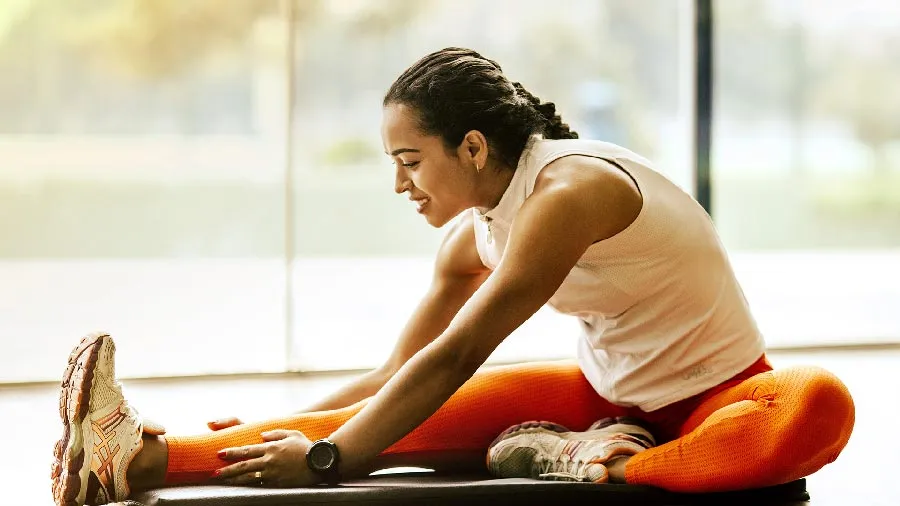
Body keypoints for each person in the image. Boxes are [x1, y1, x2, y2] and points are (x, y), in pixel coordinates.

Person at [51, 47, 855, 506]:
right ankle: (126, 457)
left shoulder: (569, 194)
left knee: (818, 403)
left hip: (722, 398)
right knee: (379, 419)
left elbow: (460, 354)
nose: (400, 184)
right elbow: (395, 376)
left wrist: (331, 459)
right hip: (605, 397)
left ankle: (606, 463)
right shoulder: (472, 236)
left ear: (472, 147)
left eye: (410, 160)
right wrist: (280, 426)